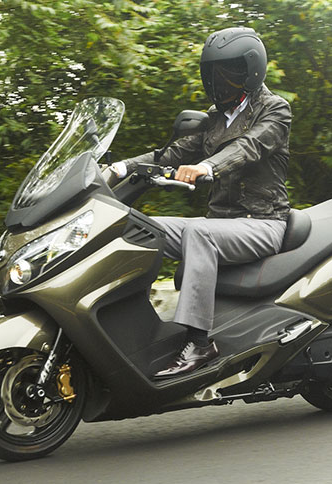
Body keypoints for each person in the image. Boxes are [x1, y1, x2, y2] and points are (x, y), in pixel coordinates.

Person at [110, 27, 292, 378]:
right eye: (212, 72)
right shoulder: (213, 118)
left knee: (199, 234)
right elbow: (171, 154)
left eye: (227, 72)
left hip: (262, 223)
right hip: (220, 223)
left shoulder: (274, 110)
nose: (218, 80)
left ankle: (199, 343)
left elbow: (249, 147)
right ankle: (128, 324)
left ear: (251, 70)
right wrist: (120, 168)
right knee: (135, 227)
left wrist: (208, 166)